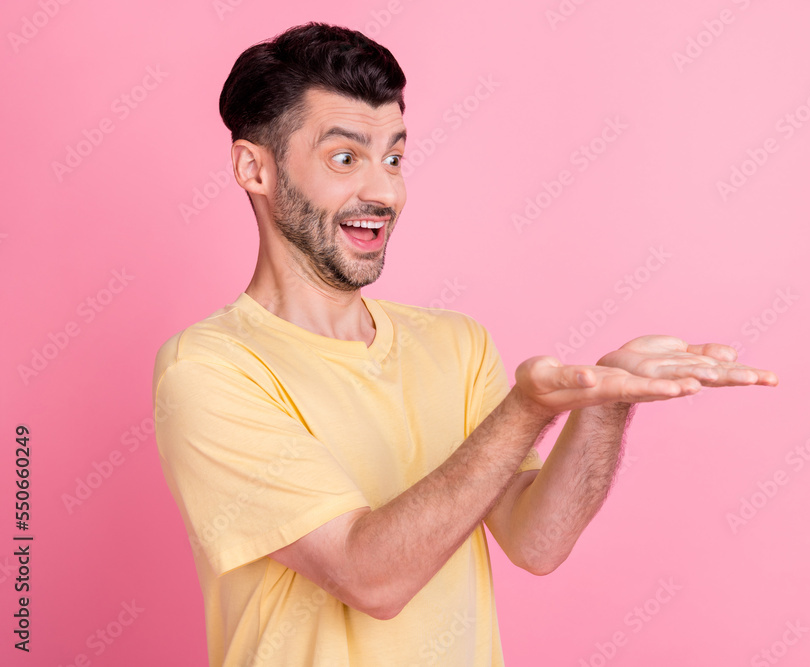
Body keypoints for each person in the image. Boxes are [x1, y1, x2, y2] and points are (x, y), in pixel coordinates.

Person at [152, 22, 778, 667]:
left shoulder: (455, 344)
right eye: (346, 158)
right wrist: (525, 411)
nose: (385, 192)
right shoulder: (208, 369)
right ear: (254, 167)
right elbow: (369, 577)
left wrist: (605, 401)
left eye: (394, 157)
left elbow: (538, 541)